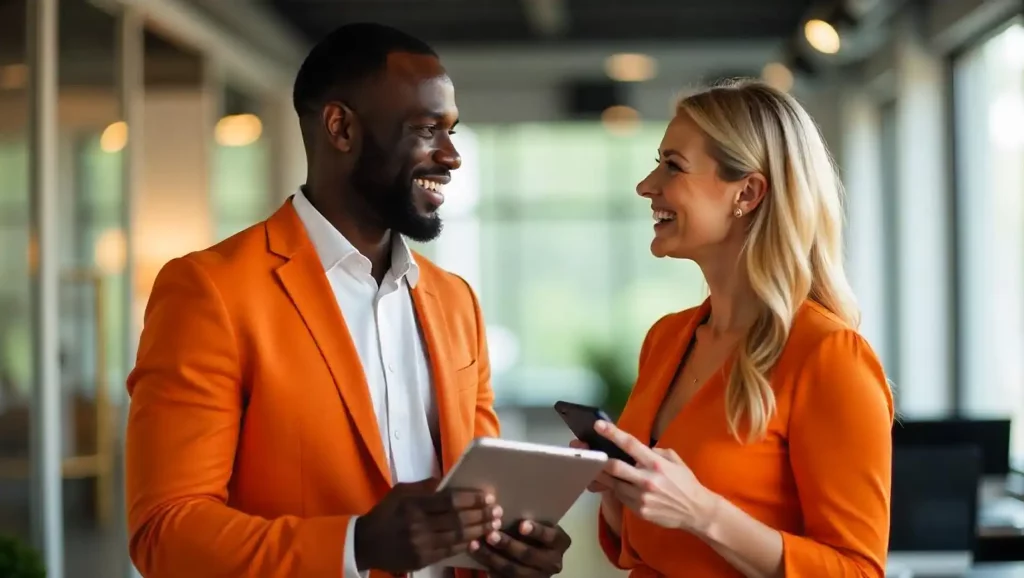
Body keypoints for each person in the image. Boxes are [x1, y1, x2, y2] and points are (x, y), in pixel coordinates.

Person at [124, 22, 570, 578]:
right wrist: (354, 545)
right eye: (427, 129)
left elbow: (476, 498)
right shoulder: (209, 291)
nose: (452, 156)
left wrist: (515, 548)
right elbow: (165, 532)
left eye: (453, 130)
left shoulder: (457, 303)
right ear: (341, 128)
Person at [572, 79, 894, 578]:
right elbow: (644, 547)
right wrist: (618, 486)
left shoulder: (829, 356)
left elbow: (856, 571)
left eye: (673, 166)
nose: (646, 185)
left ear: (747, 192)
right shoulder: (666, 339)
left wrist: (702, 512)